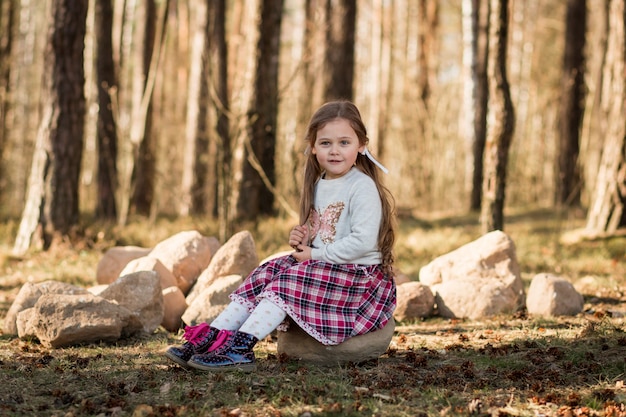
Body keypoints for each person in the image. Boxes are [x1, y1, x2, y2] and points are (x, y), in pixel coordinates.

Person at [165, 100, 396, 372]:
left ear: (361, 145)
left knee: (289, 279)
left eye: (344, 142)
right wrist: (304, 237)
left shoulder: (362, 186)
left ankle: (240, 348)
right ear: (312, 146)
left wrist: (315, 254)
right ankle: (212, 339)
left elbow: (363, 242)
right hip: (329, 265)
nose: (335, 151)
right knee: (267, 271)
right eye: (325, 143)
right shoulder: (321, 183)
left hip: (360, 278)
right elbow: (327, 231)